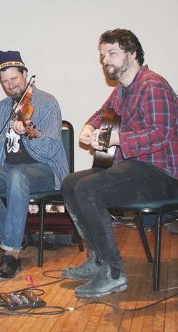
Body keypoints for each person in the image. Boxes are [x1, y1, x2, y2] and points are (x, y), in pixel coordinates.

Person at [61, 29, 178, 298]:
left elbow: (162, 132)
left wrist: (118, 139)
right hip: (135, 169)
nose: (106, 61)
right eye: (103, 56)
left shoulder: (153, 85)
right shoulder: (123, 90)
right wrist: (89, 128)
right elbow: (101, 113)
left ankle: (114, 273)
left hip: (162, 174)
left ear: (132, 53)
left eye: (111, 53)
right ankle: (98, 259)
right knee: (71, 183)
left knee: (89, 188)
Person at [0, 51, 68, 281]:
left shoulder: (47, 103)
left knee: (17, 176)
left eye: (14, 79)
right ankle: (15, 236)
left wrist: (28, 134)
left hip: (45, 168)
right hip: (11, 169)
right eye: (4, 82)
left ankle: (11, 254)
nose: (10, 86)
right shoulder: (2, 108)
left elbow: (52, 148)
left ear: (25, 74)